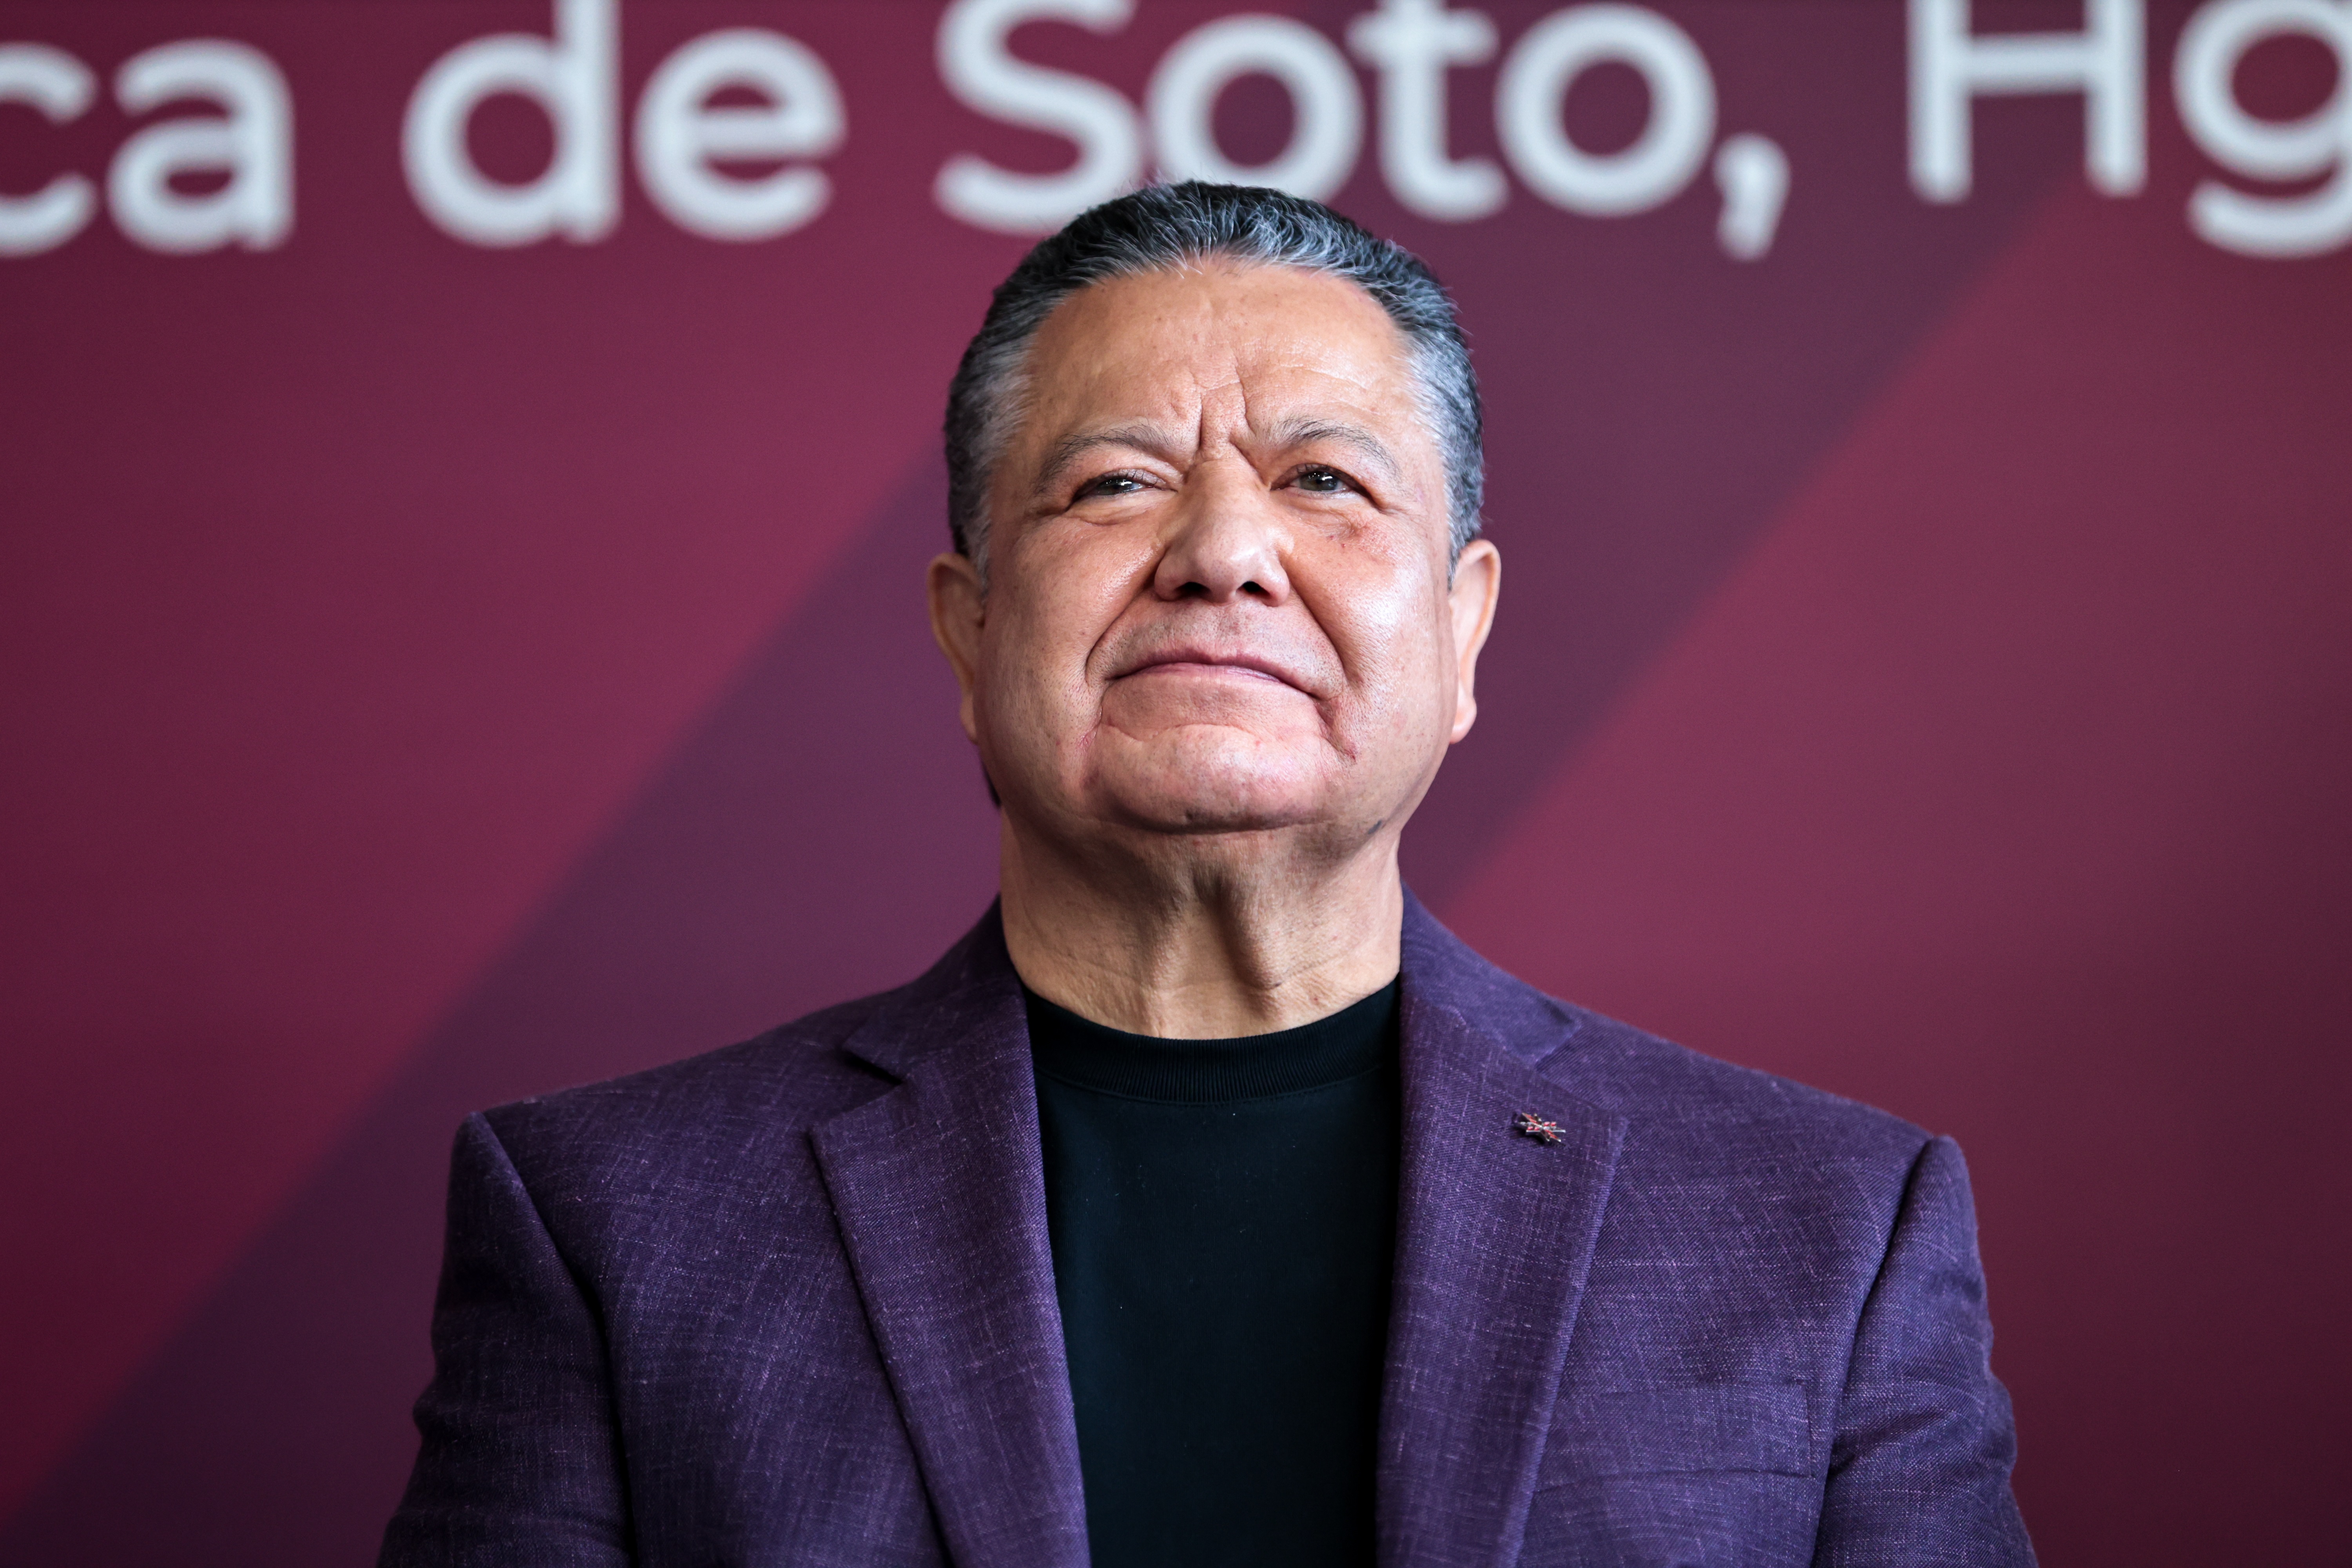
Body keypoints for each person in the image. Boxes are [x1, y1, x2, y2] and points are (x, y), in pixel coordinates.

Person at [380, 182, 2032, 1568]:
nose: (1223, 552)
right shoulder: (615, 1226)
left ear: (1462, 634)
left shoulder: (1827, 1229)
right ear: (969, 636)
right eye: (1115, 483)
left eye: (1325, 481)